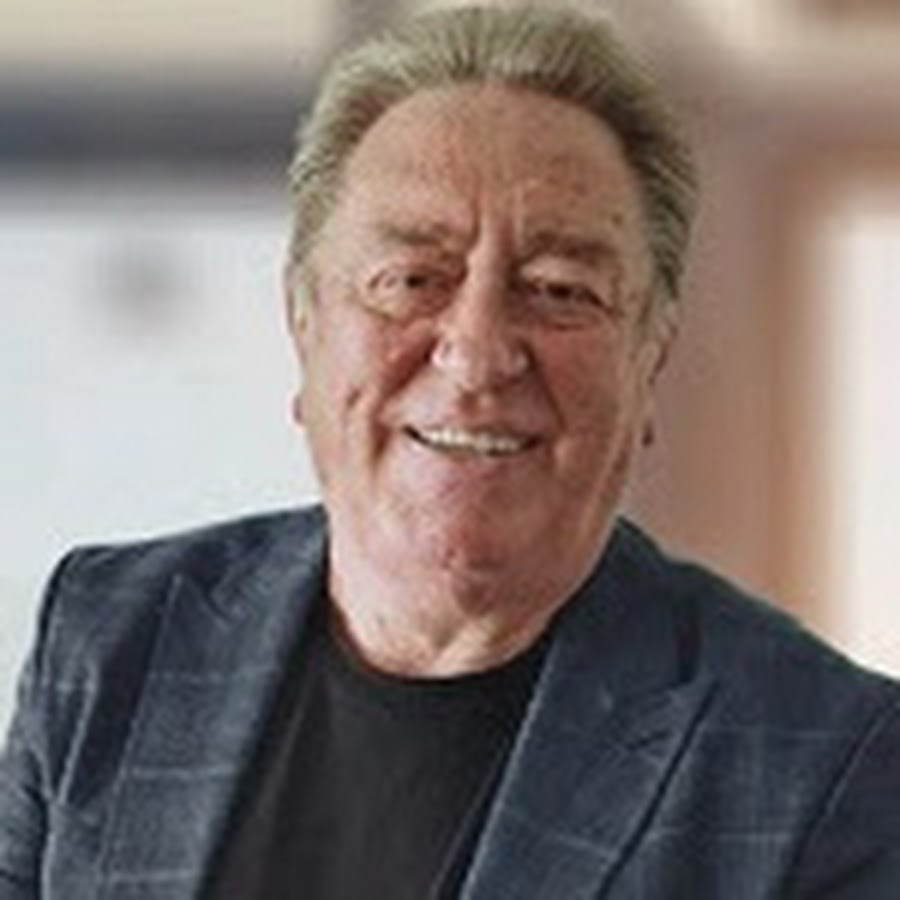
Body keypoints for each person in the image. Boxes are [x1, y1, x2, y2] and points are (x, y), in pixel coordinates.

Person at [1, 4, 898, 898]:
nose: (476, 352)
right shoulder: (111, 633)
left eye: (560, 289)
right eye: (411, 280)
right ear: (305, 325)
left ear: (648, 357)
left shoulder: (824, 765)